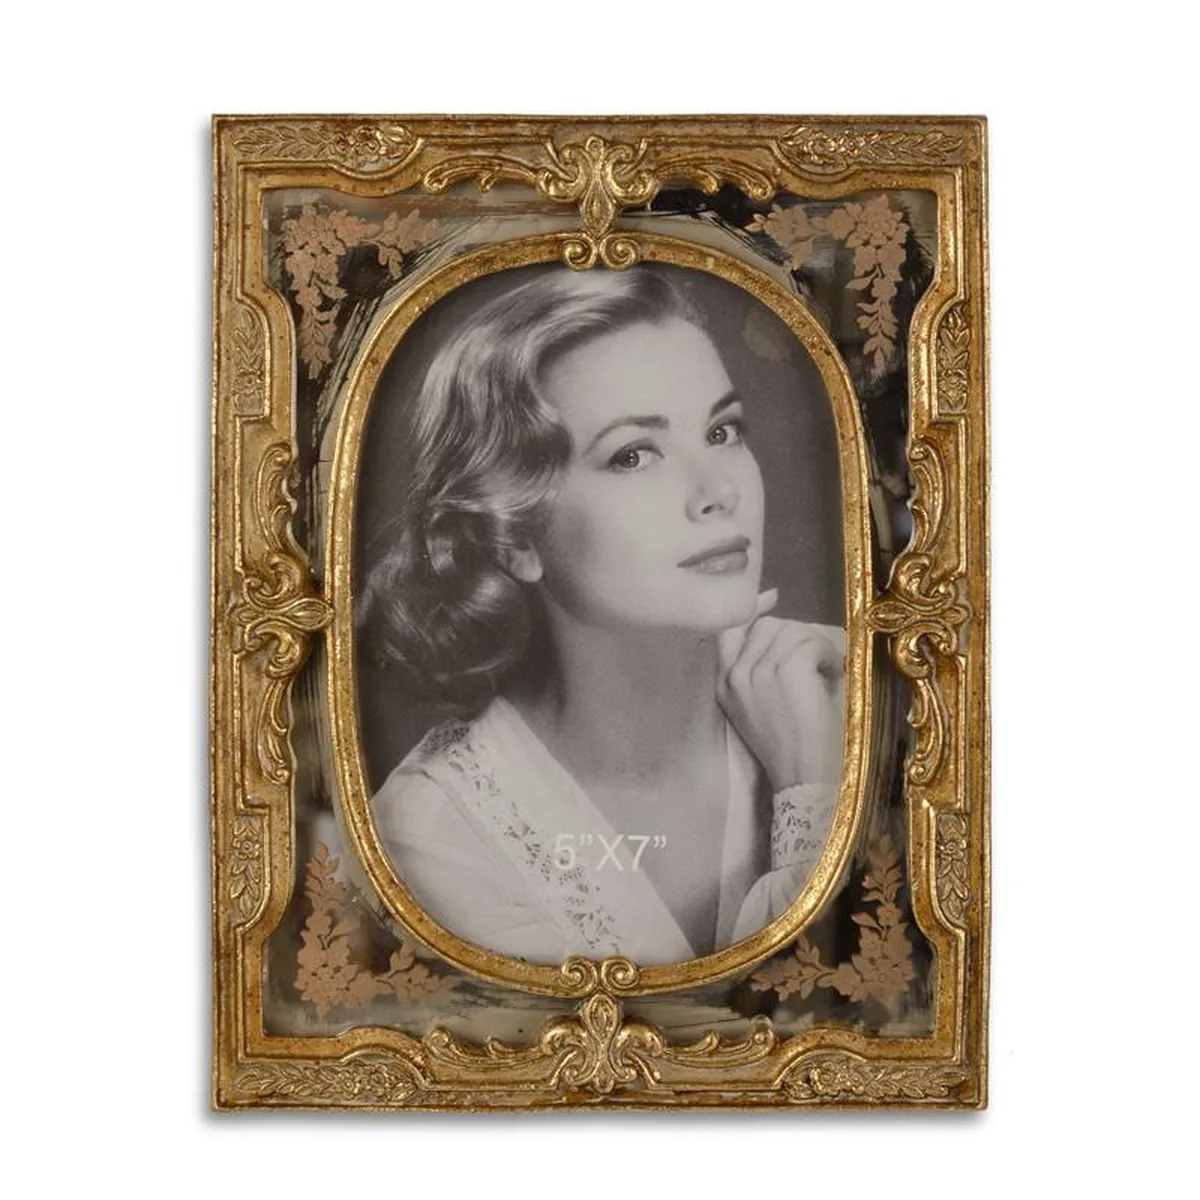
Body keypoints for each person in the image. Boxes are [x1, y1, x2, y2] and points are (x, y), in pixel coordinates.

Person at [358, 264, 845, 966]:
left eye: (722, 432)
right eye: (633, 455)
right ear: (516, 537)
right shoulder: (431, 839)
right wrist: (810, 801)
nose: (718, 491)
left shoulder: (842, 695)